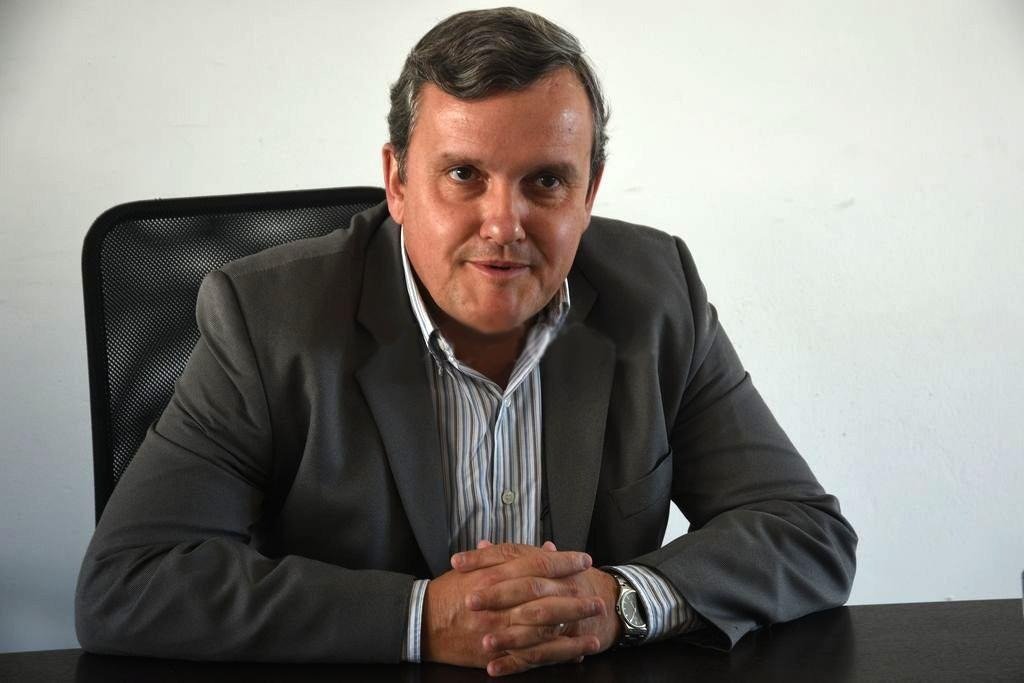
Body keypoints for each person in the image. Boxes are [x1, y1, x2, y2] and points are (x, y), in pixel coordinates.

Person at [75, 7, 856, 677]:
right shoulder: (265, 318)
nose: (503, 224)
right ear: (397, 182)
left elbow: (806, 531)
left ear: (589, 191)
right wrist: (420, 618)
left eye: (546, 181)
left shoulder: (658, 295)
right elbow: (129, 582)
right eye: (464, 175)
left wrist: (618, 600)